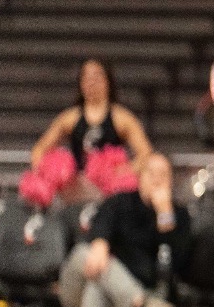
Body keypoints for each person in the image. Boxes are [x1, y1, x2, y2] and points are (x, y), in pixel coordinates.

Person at [54, 153, 189, 307]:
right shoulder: (119, 203)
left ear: (171, 181)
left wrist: (165, 215)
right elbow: (98, 232)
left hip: (120, 301)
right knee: (84, 254)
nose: (157, 180)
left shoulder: (177, 215)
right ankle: (142, 304)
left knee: (98, 289)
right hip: (81, 288)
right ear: (140, 177)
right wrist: (100, 244)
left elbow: (178, 262)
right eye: (152, 173)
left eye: (164, 175)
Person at [31, 58, 154, 200]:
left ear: (108, 81)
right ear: (80, 83)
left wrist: (125, 170)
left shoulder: (122, 118)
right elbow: (39, 149)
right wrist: (49, 173)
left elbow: (146, 153)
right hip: (76, 190)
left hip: (111, 192)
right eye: (87, 77)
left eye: (97, 76)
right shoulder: (69, 118)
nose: (92, 82)